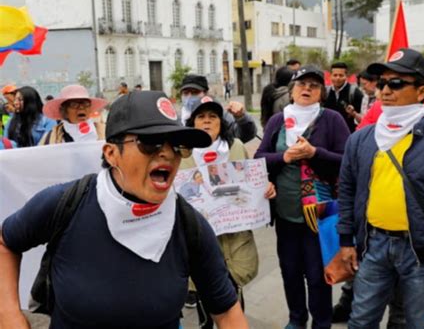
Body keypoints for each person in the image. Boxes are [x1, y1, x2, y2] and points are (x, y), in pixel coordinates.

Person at [0, 90, 249, 329]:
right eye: (149, 142)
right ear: (111, 153)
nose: (167, 154)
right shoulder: (65, 202)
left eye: (177, 145)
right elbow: (6, 243)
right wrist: (10, 317)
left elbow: (227, 311)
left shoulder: (190, 226)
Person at [338, 48, 424, 329]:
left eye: (396, 83)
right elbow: (348, 192)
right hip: (373, 247)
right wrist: (346, 241)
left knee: (418, 324)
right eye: (381, 83)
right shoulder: (360, 140)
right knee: (360, 321)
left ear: (423, 92)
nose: (385, 90)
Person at [255, 66, 350, 329]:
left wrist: (314, 153)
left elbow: (347, 161)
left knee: (318, 274)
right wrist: (283, 157)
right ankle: (296, 319)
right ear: (292, 90)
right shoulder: (277, 121)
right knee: (290, 271)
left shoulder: (331, 119)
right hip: (286, 214)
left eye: (314, 85)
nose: (307, 89)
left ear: (321, 92)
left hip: (320, 216)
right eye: (301, 84)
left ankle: (322, 322)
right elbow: (258, 159)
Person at [181, 95, 276, 328]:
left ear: (221, 122)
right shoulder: (181, 154)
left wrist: (265, 188)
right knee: (205, 301)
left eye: (212, 116)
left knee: (232, 297)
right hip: (198, 242)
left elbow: (250, 184)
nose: (206, 121)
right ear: (192, 122)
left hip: (234, 242)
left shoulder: (235, 147)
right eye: (201, 116)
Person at [179, 74, 257, 143]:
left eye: (195, 92)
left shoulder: (222, 115)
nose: (189, 97)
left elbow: (244, 136)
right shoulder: (176, 119)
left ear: (206, 93)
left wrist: (242, 117)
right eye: (185, 93)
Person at [39, 85, 108, 145]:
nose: (81, 107)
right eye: (74, 104)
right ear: (64, 111)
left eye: (85, 104)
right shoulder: (51, 138)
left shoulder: (105, 131)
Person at [324, 62, 364, 132]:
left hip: (348, 133)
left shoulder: (355, 93)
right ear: (330, 76)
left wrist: (353, 113)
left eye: (341, 75)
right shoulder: (325, 92)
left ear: (346, 76)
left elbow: (363, 118)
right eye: (335, 75)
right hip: (328, 133)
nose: (338, 78)